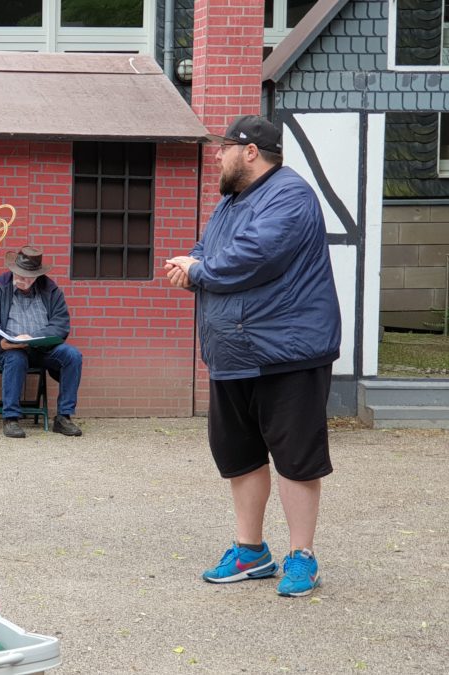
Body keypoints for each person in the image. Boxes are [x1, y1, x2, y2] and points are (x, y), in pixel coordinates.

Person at [164, 114, 341, 597]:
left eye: (223, 148)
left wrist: (198, 269)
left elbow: (255, 254)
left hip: (287, 352)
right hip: (232, 351)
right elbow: (210, 249)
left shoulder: (290, 195)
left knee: (295, 457)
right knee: (239, 454)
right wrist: (191, 265)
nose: (216, 157)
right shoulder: (229, 202)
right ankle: (250, 551)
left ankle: (302, 556)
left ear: (249, 151)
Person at [0, 246, 84, 438]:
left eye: (27, 276)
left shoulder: (50, 290)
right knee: (16, 357)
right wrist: (2, 343)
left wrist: (36, 338)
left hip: (42, 349)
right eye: (18, 274)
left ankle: (63, 417)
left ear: (37, 276)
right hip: (8, 349)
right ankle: (11, 419)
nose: (21, 279)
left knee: (72, 356)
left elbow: (61, 325)